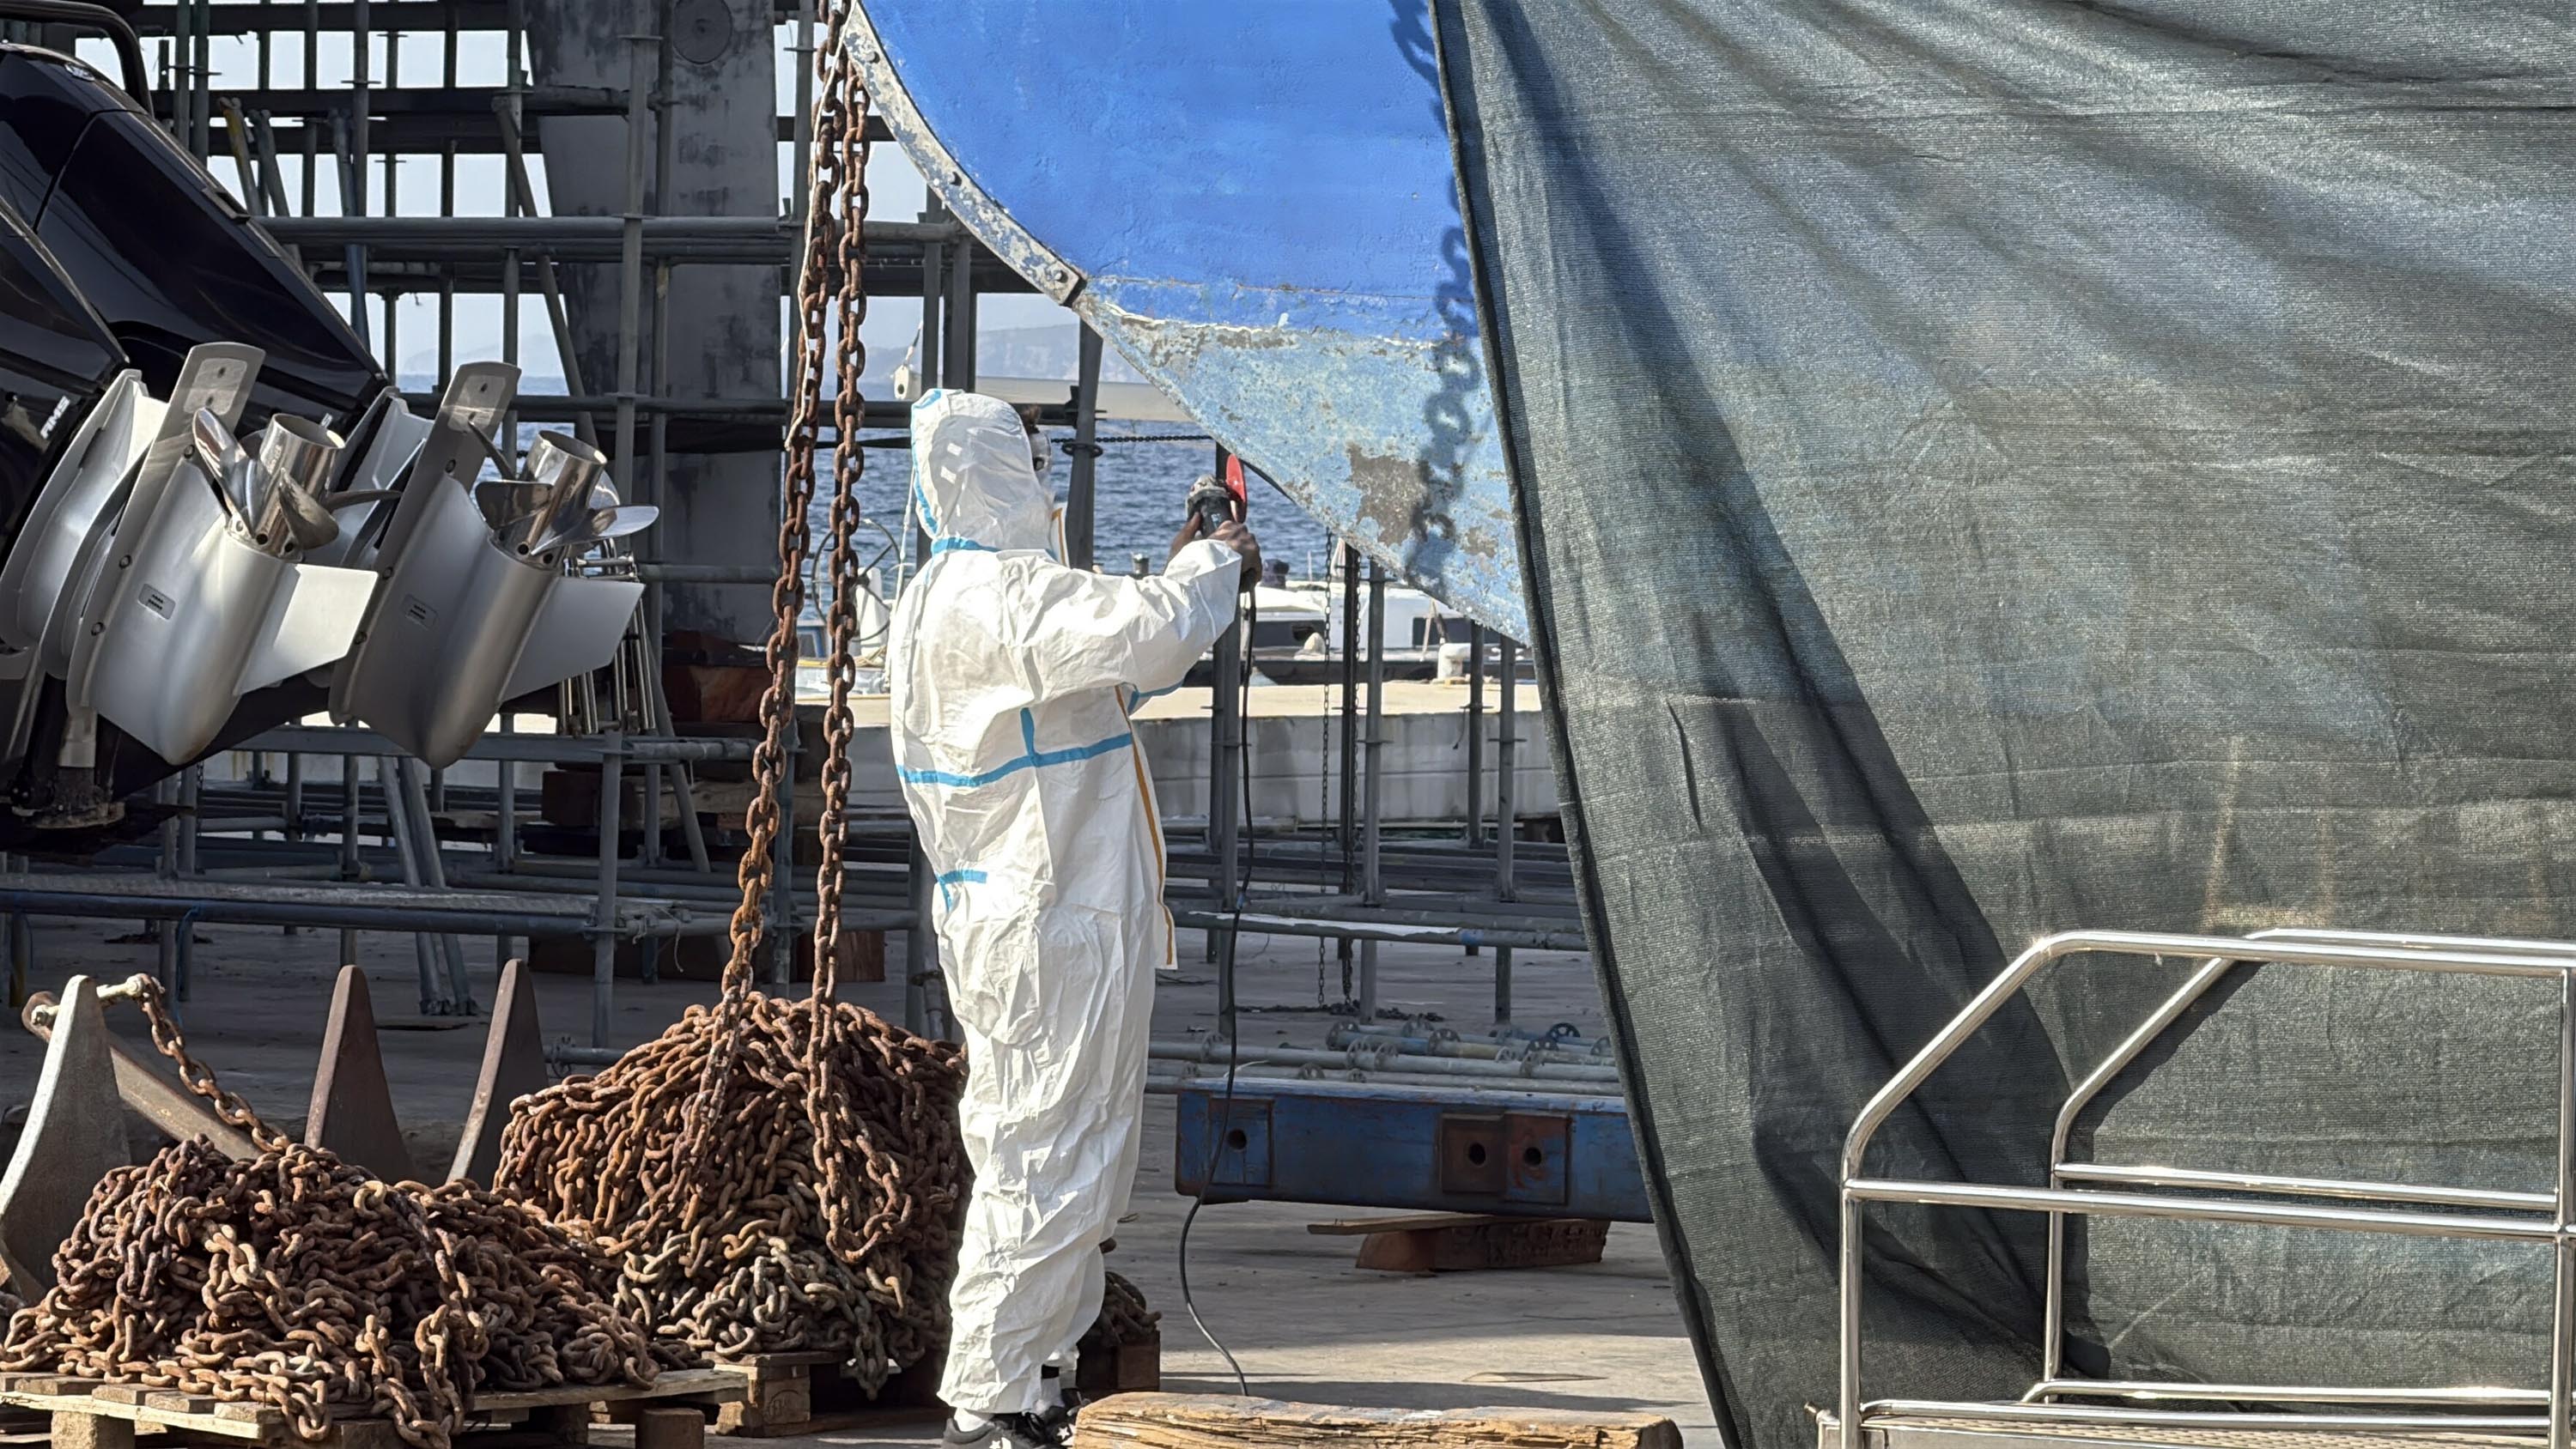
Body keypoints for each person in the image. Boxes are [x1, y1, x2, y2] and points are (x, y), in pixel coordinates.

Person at [889, 390, 1260, 1449]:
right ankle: (990, 1393)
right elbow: (1150, 632)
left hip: (1047, 914)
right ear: (1003, 469)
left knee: (1076, 1150)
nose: (1046, 476)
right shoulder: (993, 595)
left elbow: (1098, 677)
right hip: (1046, 917)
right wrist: (1209, 566)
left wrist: (1188, 563)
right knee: (1042, 1151)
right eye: (1034, 457)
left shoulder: (953, 597)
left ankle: (1037, 1376)